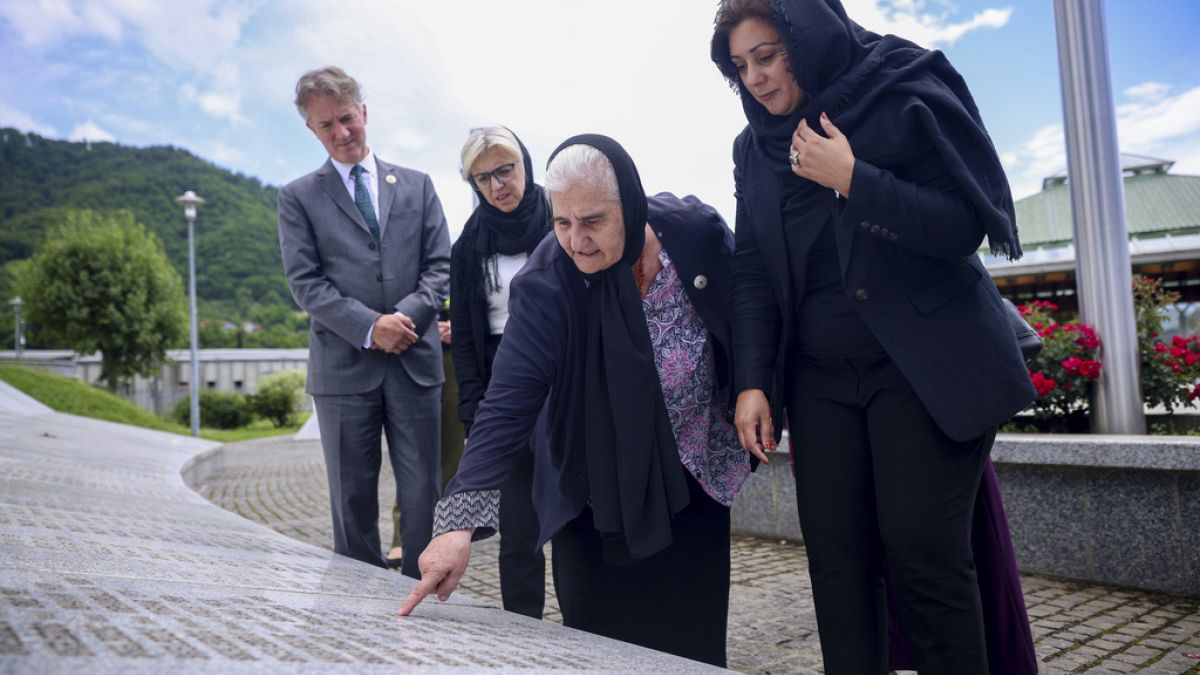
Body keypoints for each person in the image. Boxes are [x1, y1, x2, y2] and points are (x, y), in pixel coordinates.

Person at [711, 1, 1037, 672]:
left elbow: (962, 226)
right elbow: (751, 271)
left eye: (768, 56)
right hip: (821, 378)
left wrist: (855, 180)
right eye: (741, 67)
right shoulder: (753, 150)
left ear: (810, 38)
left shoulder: (899, 85)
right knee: (837, 562)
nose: (757, 80)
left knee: (924, 555)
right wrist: (750, 380)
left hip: (922, 367)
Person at [399, 135, 753, 668]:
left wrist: (754, 386)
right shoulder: (548, 280)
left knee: (694, 650)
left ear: (628, 204)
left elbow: (749, 306)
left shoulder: (693, 232)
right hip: (595, 495)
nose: (576, 241)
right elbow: (508, 400)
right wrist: (456, 524)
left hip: (695, 480)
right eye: (562, 223)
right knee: (600, 651)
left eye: (592, 221)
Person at [277, 66, 451, 579]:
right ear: (312, 130)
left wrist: (406, 317)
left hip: (415, 362)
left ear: (364, 112)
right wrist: (372, 326)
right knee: (351, 497)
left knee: (422, 491)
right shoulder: (297, 197)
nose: (341, 133)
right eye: (327, 125)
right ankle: (358, 610)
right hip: (342, 369)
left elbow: (439, 266)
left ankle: (423, 594)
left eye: (347, 118)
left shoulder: (418, 186)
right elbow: (305, 283)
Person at [448, 126, 551, 619]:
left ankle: (597, 634)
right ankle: (524, 634)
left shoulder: (560, 215)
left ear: (524, 164)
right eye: (482, 178)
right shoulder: (468, 247)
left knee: (584, 518)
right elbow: (465, 342)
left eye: (505, 170)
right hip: (505, 388)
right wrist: (474, 416)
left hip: (566, 377)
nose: (497, 186)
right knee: (519, 527)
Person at [388, 309, 465, 568]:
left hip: (459, 352)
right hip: (413, 346)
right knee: (415, 456)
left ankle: (448, 531)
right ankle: (402, 536)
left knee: (453, 453)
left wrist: (461, 326)